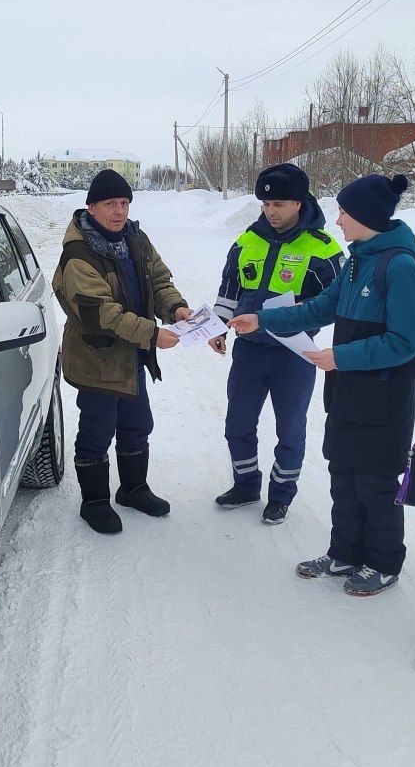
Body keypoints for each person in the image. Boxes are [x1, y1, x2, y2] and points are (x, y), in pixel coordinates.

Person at [228, 173, 415, 595]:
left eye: (344, 213)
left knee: (375, 481)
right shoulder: (358, 260)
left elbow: (407, 341)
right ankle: (345, 553)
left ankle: (385, 562)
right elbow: (319, 308)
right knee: (343, 474)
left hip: (386, 395)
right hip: (348, 387)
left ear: (367, 216)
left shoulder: (401, 266)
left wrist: (341, 356)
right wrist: (262, 319)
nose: (337, 221)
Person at [53, 168, 192, 536]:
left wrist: (175, 308)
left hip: (130, 357)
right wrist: (151, 334)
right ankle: (94, 501)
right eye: (111, 203)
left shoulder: (136, 237)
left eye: (125, 202)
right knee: (97, 432)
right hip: (97, 359)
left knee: (136, 424)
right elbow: (101, 313)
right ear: (92, 207)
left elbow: (158, 280)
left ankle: (133, 489)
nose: (119, 210)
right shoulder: (78, 255)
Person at [209, 163, 345, 525]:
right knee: (238, 422)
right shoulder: (246, 241)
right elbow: (230, 291)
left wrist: (303, 315)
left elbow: (335, 304)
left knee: (290, 428)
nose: (271, 212)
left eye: (279, 205)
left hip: (294, 354)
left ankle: (281, 494)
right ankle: (246, 484)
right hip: (249, 350)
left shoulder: (324, 248)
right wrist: (219, 327)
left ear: (299, 203)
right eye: (266, 205)